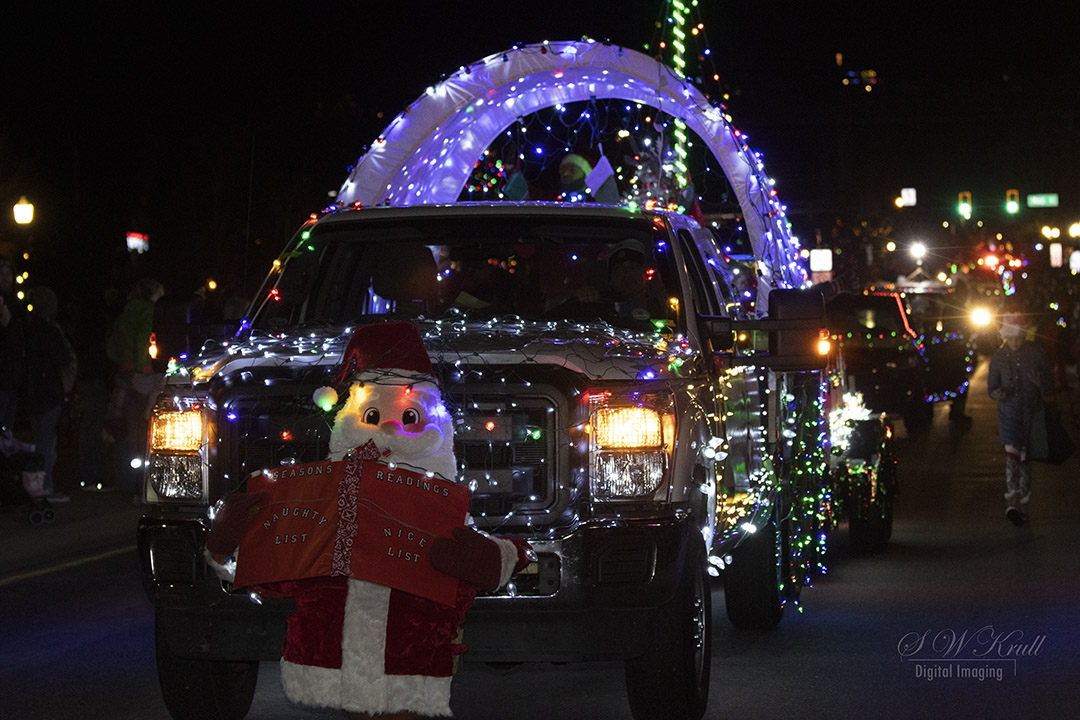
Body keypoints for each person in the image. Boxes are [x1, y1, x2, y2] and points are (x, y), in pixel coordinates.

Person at [987, 312, 1055, 526]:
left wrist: (1040, 382)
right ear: (1005, 337)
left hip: (1031, 414)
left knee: (1026, 459)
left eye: (1019, 338)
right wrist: (997, 393)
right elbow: (991, 387)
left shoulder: (1035, 353)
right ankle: (1013, 501)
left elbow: (1049, 379)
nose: (1016, 342)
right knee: (1012, 457)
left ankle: (1023, 501)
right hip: (1008, 415)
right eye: (1012, 338)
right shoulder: (998, 358)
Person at [105, 277, 164, 498]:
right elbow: (145, 342)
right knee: (146, 433)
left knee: (125, 433)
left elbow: (111, 348)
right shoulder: (149, 313)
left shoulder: (124, 315)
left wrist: (125, 365)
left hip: (125, 376)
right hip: (145, 377)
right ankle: (144, 488)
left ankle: (125, 484)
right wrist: (145, 368)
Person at [23, 286, 77, 502]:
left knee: (40, 441)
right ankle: (43, 489)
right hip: (48, 392)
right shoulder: (49, 330)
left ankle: (37, 487)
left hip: (34, 392)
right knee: (46, 444)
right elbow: (63, 358)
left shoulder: (27, 328)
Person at [0, 256, 25, 433]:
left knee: (7, 432)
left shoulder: (15, 305)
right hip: (3, 379)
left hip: (12, 378)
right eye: (1, 273)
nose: (5, 277)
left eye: (8, 273)